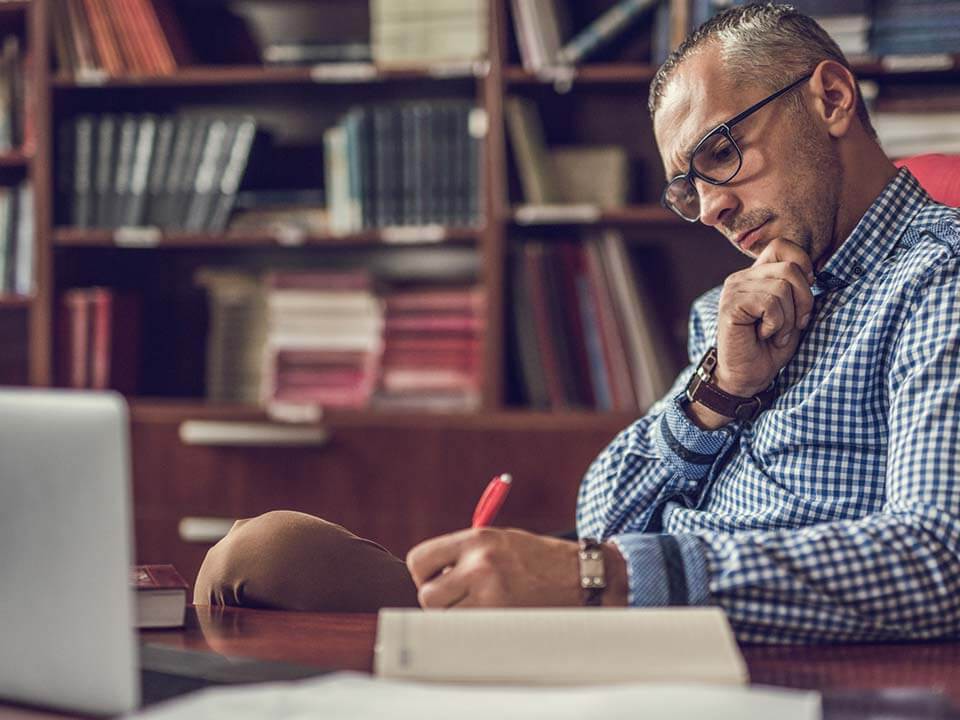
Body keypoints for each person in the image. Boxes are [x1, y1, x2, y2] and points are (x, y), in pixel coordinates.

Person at [195, 4, 960, 643]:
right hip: (618, 614)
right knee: (260, 555)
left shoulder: (938, 279)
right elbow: (602, 513)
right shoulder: (734, 311)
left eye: (721, 152)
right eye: (687, 188)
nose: (713, 208)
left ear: (830, 99)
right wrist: (718, 395)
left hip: (713, 637)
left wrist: (604, 578)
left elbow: (938, 560)